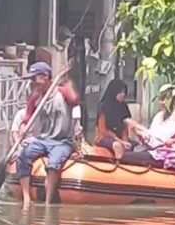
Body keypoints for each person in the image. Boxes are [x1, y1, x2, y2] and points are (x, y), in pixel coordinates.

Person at [16, 62, 80, 209]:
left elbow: (75, 100)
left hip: (63, 141)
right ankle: (26, 198)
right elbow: (27, 119)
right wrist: (22, 128)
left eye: (35, 78)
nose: (34, 83)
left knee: (53, 164)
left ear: (46, 77)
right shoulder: (35, 98)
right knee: (23, 155)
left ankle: (48, 202)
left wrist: (65, 79)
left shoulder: (62, 92)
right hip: (43, 139)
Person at [95, 79, 135, 158]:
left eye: (124, 92)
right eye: (120, 92)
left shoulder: (123, 107)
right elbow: (103, 130)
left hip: (120, 138)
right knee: (117, 146)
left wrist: (125, 141)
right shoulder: (103, 107)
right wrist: (120, 141)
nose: (123, 94)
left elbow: (125, 127)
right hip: (104, 137)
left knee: (137, 146)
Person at [146, 83, 175, 148]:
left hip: (169, 153)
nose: (163, 102)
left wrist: (174, 141)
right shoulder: (158, 116)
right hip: (153, 150)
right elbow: (149, 137)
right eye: (161, 99)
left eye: (166, 99)